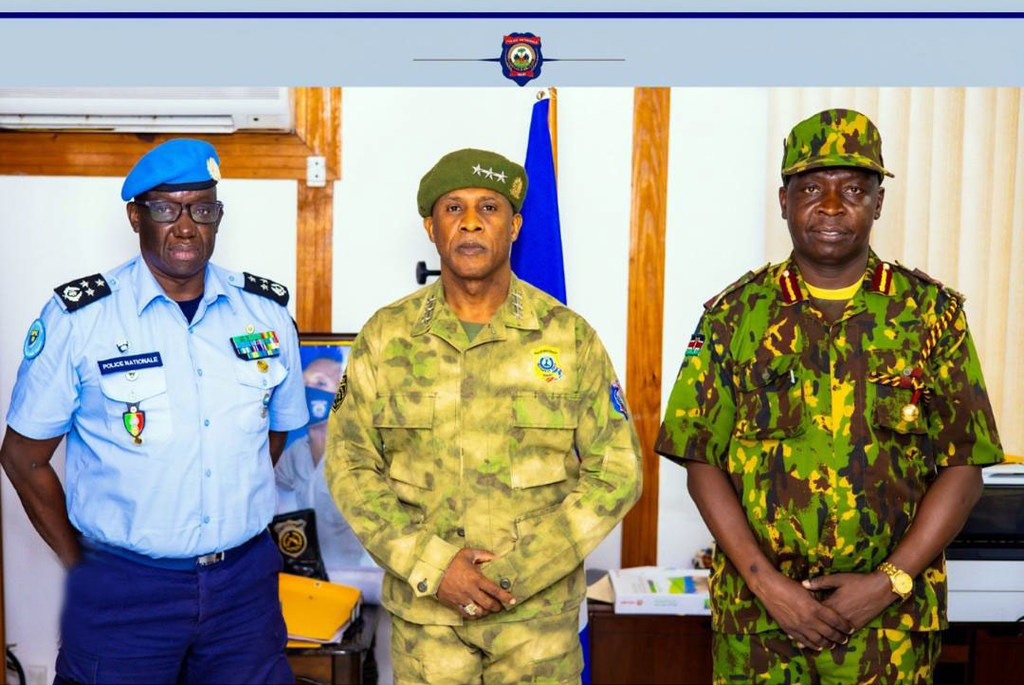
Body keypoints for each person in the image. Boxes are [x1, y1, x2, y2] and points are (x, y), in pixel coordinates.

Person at [656, 109, 1004, 685]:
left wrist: (887, 582)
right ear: (784, 200)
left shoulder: (933, 315)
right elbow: (701, 460)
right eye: (812, 188)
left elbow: (964, 465)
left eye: (855, 190)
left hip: (889, 626)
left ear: (879, 203)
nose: (833, 207)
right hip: (760, 623)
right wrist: (769, 587)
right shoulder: (735, 315)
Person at [324, 148, 642, 685]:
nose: (471, 222)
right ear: (430, 227)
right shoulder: (386, 336)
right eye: (454, 208)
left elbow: (618, 473)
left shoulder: (569, 337)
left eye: (489, 208)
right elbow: (349, 466)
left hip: (536, 628)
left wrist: (516, 575)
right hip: (429, 626)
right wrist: (436, 567)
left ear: (515, 226)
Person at [0, 138, 308, 684]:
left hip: (243, 589)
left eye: (203, 209)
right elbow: (23, 457)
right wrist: (83, 565)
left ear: (218, 217)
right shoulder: (80, 320)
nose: (187, 226)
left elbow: (274, 434)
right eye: (167, 209)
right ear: (135, 216)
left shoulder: (265, 313)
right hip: (125, 590)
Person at [274, 353, 381, 598]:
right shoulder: (294, 453)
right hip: (302, 583)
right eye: (305, 383)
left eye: (321, 383)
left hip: (357, 584)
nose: (310, 391)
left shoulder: (359, 455)